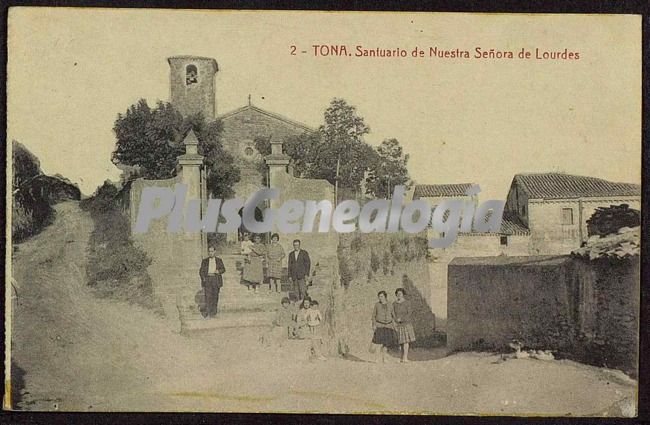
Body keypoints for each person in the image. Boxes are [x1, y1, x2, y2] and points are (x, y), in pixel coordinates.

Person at [198, 246, 226, 318]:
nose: (210, 253)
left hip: (216, 279)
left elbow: (223, 269)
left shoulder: (219, 260)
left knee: (215, 297)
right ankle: (207, 313)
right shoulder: (205, 261)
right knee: (208, 297)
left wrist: (219, 271)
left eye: (212, 251)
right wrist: (204, 278)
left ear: (215, 252)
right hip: (208, 279)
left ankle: (213, 313)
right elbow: (201, 271)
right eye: (209, 251)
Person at [371, 291, 397, 363]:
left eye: (381, 296)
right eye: (379, 296)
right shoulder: (377, 305)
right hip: (379, 325)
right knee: (378, 343)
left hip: (388, 326)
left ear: (385, 297)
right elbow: (373, 316)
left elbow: (393, 315)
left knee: (386, 344)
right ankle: (376, 358)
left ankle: (384, 358)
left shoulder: (390, 305)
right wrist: (373, 324)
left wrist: (396, 322)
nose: (380, 298)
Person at [393, 288, 416, 363]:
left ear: (403, 294)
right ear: (396, 295)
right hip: (398, 325)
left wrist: (402, 319)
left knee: (406, 341)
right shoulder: (394, 304)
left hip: (406, 324)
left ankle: (405, 357)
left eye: (400, 293)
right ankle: (401, 357)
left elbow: (409, 313)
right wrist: (396, 320)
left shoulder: (407, 303)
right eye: (397, 294)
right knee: (400, 342)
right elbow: (393, 314)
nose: (399, 295)